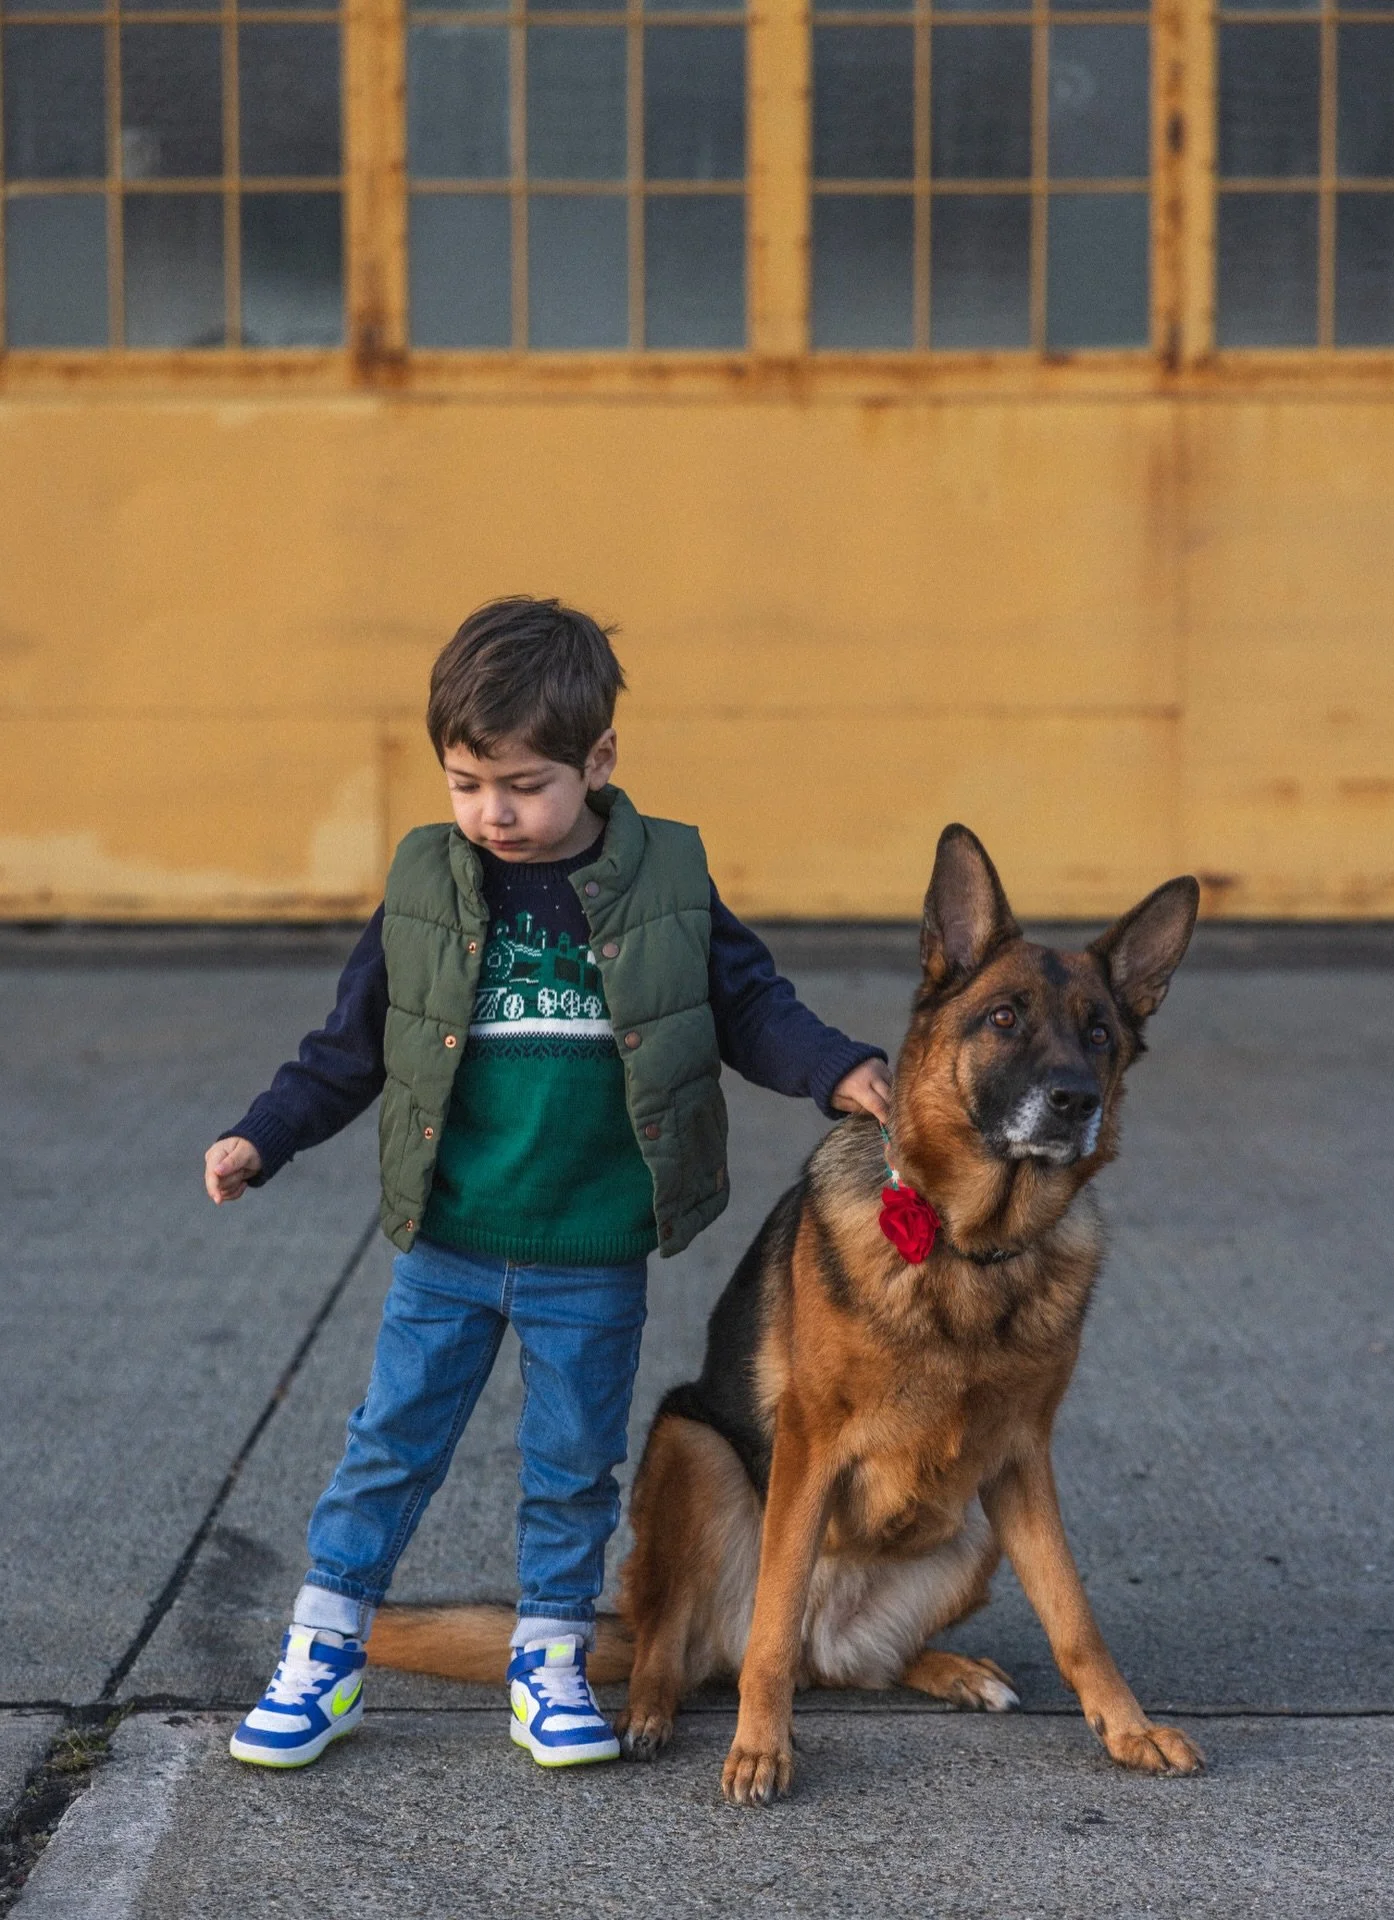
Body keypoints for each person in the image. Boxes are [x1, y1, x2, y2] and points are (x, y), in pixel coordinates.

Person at [205, 596, 891, 1771]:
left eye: (522, 784)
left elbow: (749, 1007)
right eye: (466, 783)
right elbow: (350, 1046)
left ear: (600, 761)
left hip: (592, 1247)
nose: (492, 813)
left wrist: (837, 1071)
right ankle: (325, 1646)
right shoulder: (428, 884)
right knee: (391, 1441)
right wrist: (263, 1137)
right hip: (452, 1239)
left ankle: (551, 1655)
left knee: (574, 1464)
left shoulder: (667, 875)